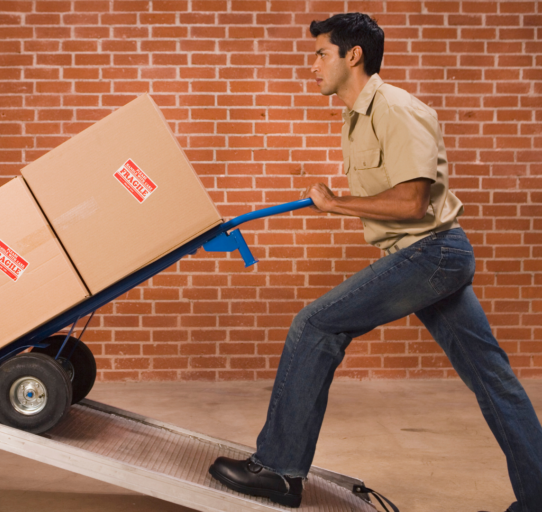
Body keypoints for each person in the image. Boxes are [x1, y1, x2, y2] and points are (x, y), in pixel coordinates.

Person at [208, 12, 542, 512]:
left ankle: (278, 470)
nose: (312, 64)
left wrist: (336, 203)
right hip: (429, 255)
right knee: (492, 377)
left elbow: (413, 205)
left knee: (314, 326)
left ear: (353, 55)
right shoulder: (357, 115)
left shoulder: (395, 108)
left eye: (321, 53)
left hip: (431, 253)